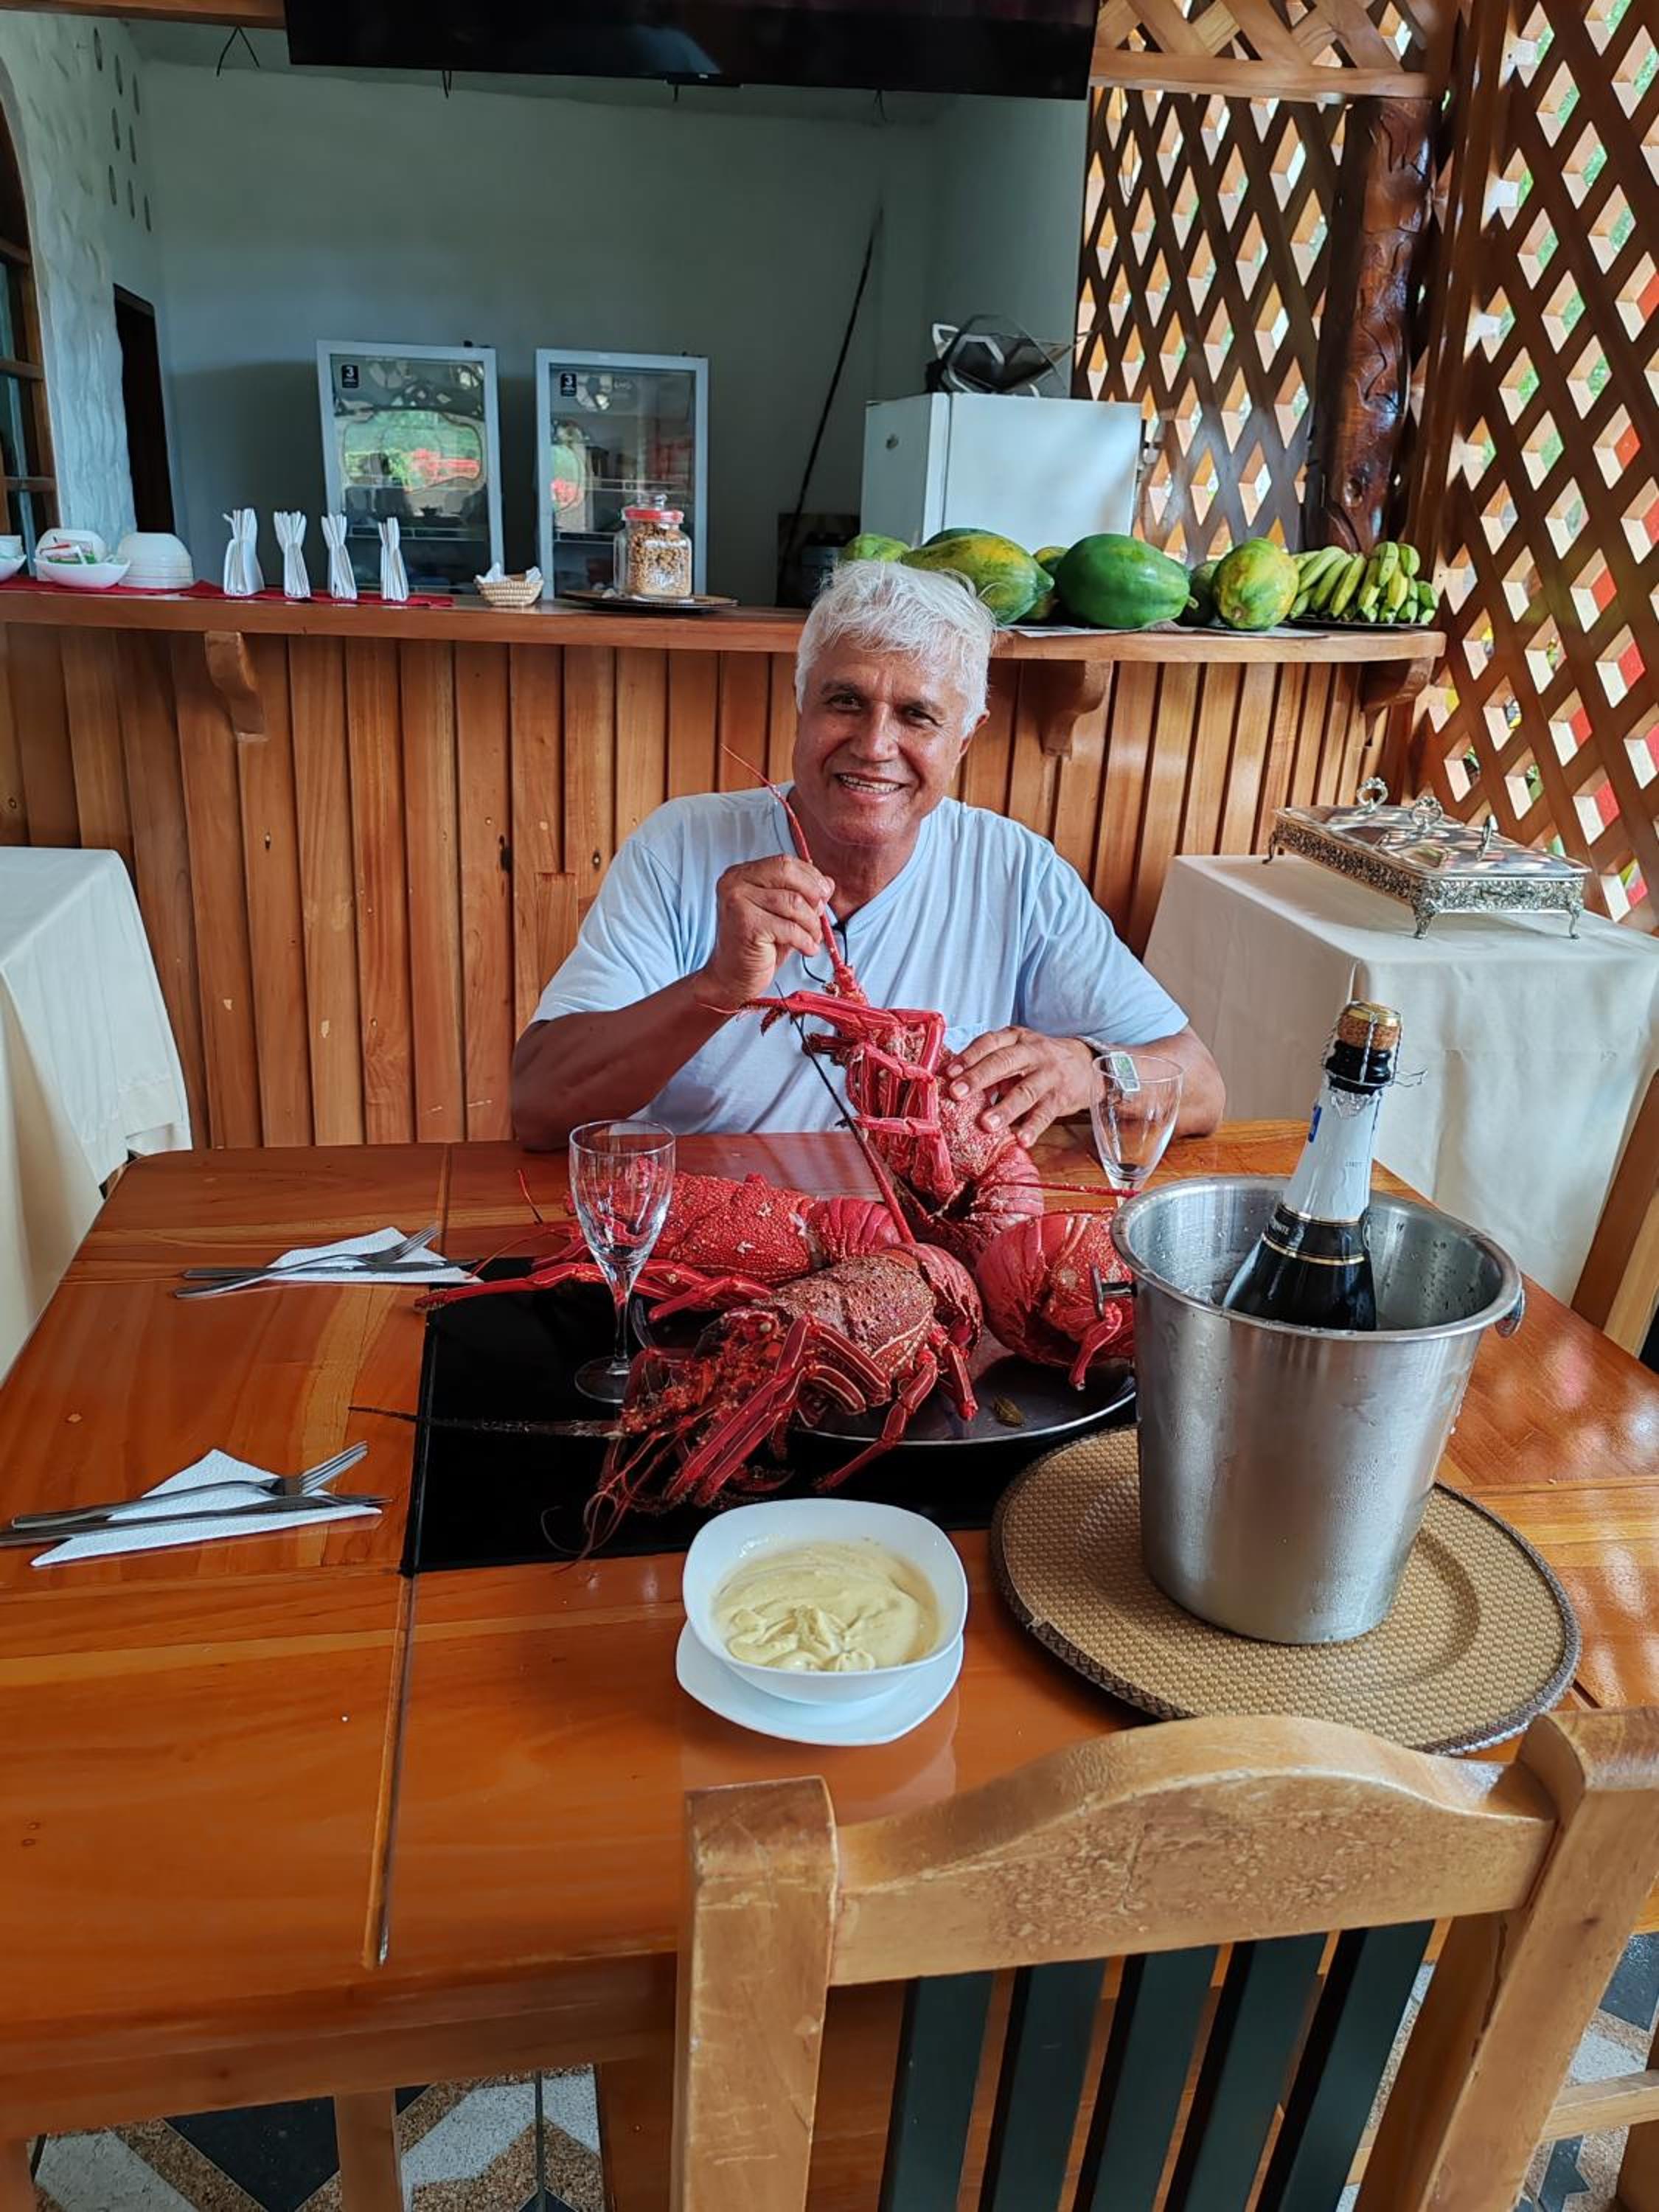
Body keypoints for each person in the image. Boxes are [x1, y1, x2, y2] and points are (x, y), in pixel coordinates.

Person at [512, 560, 1224, 1149]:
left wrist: (1091, 1072)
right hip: (719, 1234)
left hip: (926, 1243)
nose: (875, 745)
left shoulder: (1019, 871)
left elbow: (1201, 1085)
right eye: (846, 702)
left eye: (918, 715)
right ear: (801, 705)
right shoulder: (679, 846)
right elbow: (538, 1106)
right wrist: (716, 988)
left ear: (964, 739)